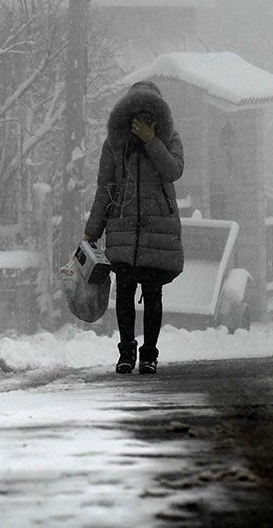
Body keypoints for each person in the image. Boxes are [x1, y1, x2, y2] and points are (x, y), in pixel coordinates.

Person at [83, 80, 184, 375]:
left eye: (148, 113)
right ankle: (126, 352)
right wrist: (92, 231)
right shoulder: (115, 144)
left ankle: (149, 354)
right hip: (123, 228)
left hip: (157, 231)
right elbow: (105, 188)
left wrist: (152, 140)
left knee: (153, 293)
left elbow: (173, 170)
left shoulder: (170, 138)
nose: (141, 119)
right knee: (124, 291)